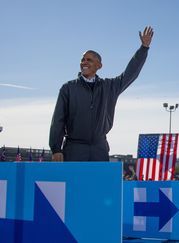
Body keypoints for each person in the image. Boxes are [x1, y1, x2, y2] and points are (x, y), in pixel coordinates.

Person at [49, 26, 154, 161]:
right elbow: (58, 120)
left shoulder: (109, 87)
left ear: (99, 65)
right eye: (83, 59)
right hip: (74, 148)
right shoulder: (68, 88)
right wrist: (56, 148)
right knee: (76, 182)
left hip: (99, 149)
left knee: (98, 182)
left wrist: (143, 49)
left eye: (89, 60)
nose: (84, 62)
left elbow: (130, 74)